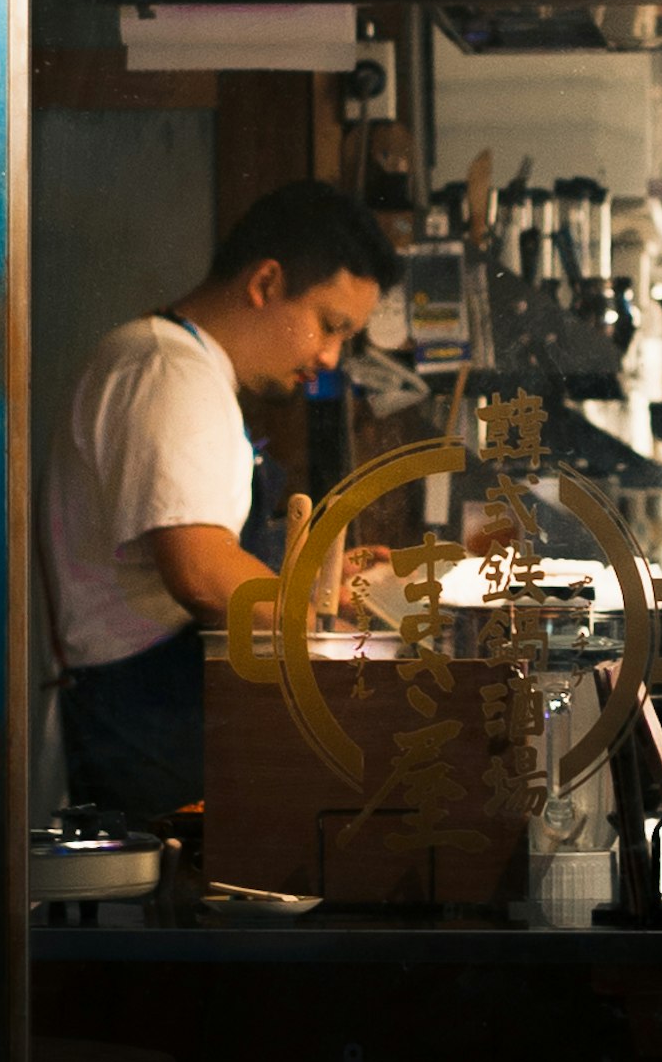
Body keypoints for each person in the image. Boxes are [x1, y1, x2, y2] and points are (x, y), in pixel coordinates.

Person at [42, 178, 397, 835]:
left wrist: (332, 588)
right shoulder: (167, 369)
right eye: (329, 323)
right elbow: (202, 572)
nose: (327, 357)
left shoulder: (186, 368)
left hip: (155, 708)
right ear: (266, 282)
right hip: (142, 713)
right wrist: (327, 619)